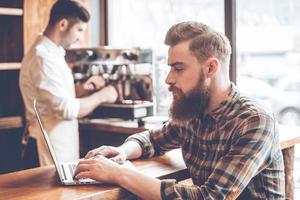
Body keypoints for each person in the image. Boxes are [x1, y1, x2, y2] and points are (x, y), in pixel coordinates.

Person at [74, 21, 285, 199]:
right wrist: (122, 151)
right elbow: (153, 140)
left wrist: (119, 174)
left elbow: (210, 196)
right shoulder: (194, 110)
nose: (168, 79)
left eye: (178, 68)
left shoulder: (254, 121)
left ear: (211, 68)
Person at [19, 0, 118, 166]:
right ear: (63, 24)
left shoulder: (53, 53)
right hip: (45, 151)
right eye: (79, 30)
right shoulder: (43, 58)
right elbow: (66, 109)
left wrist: (82, 89)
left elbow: (54, 97)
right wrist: (102, 96)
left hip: (59, 148)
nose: (79, 37)